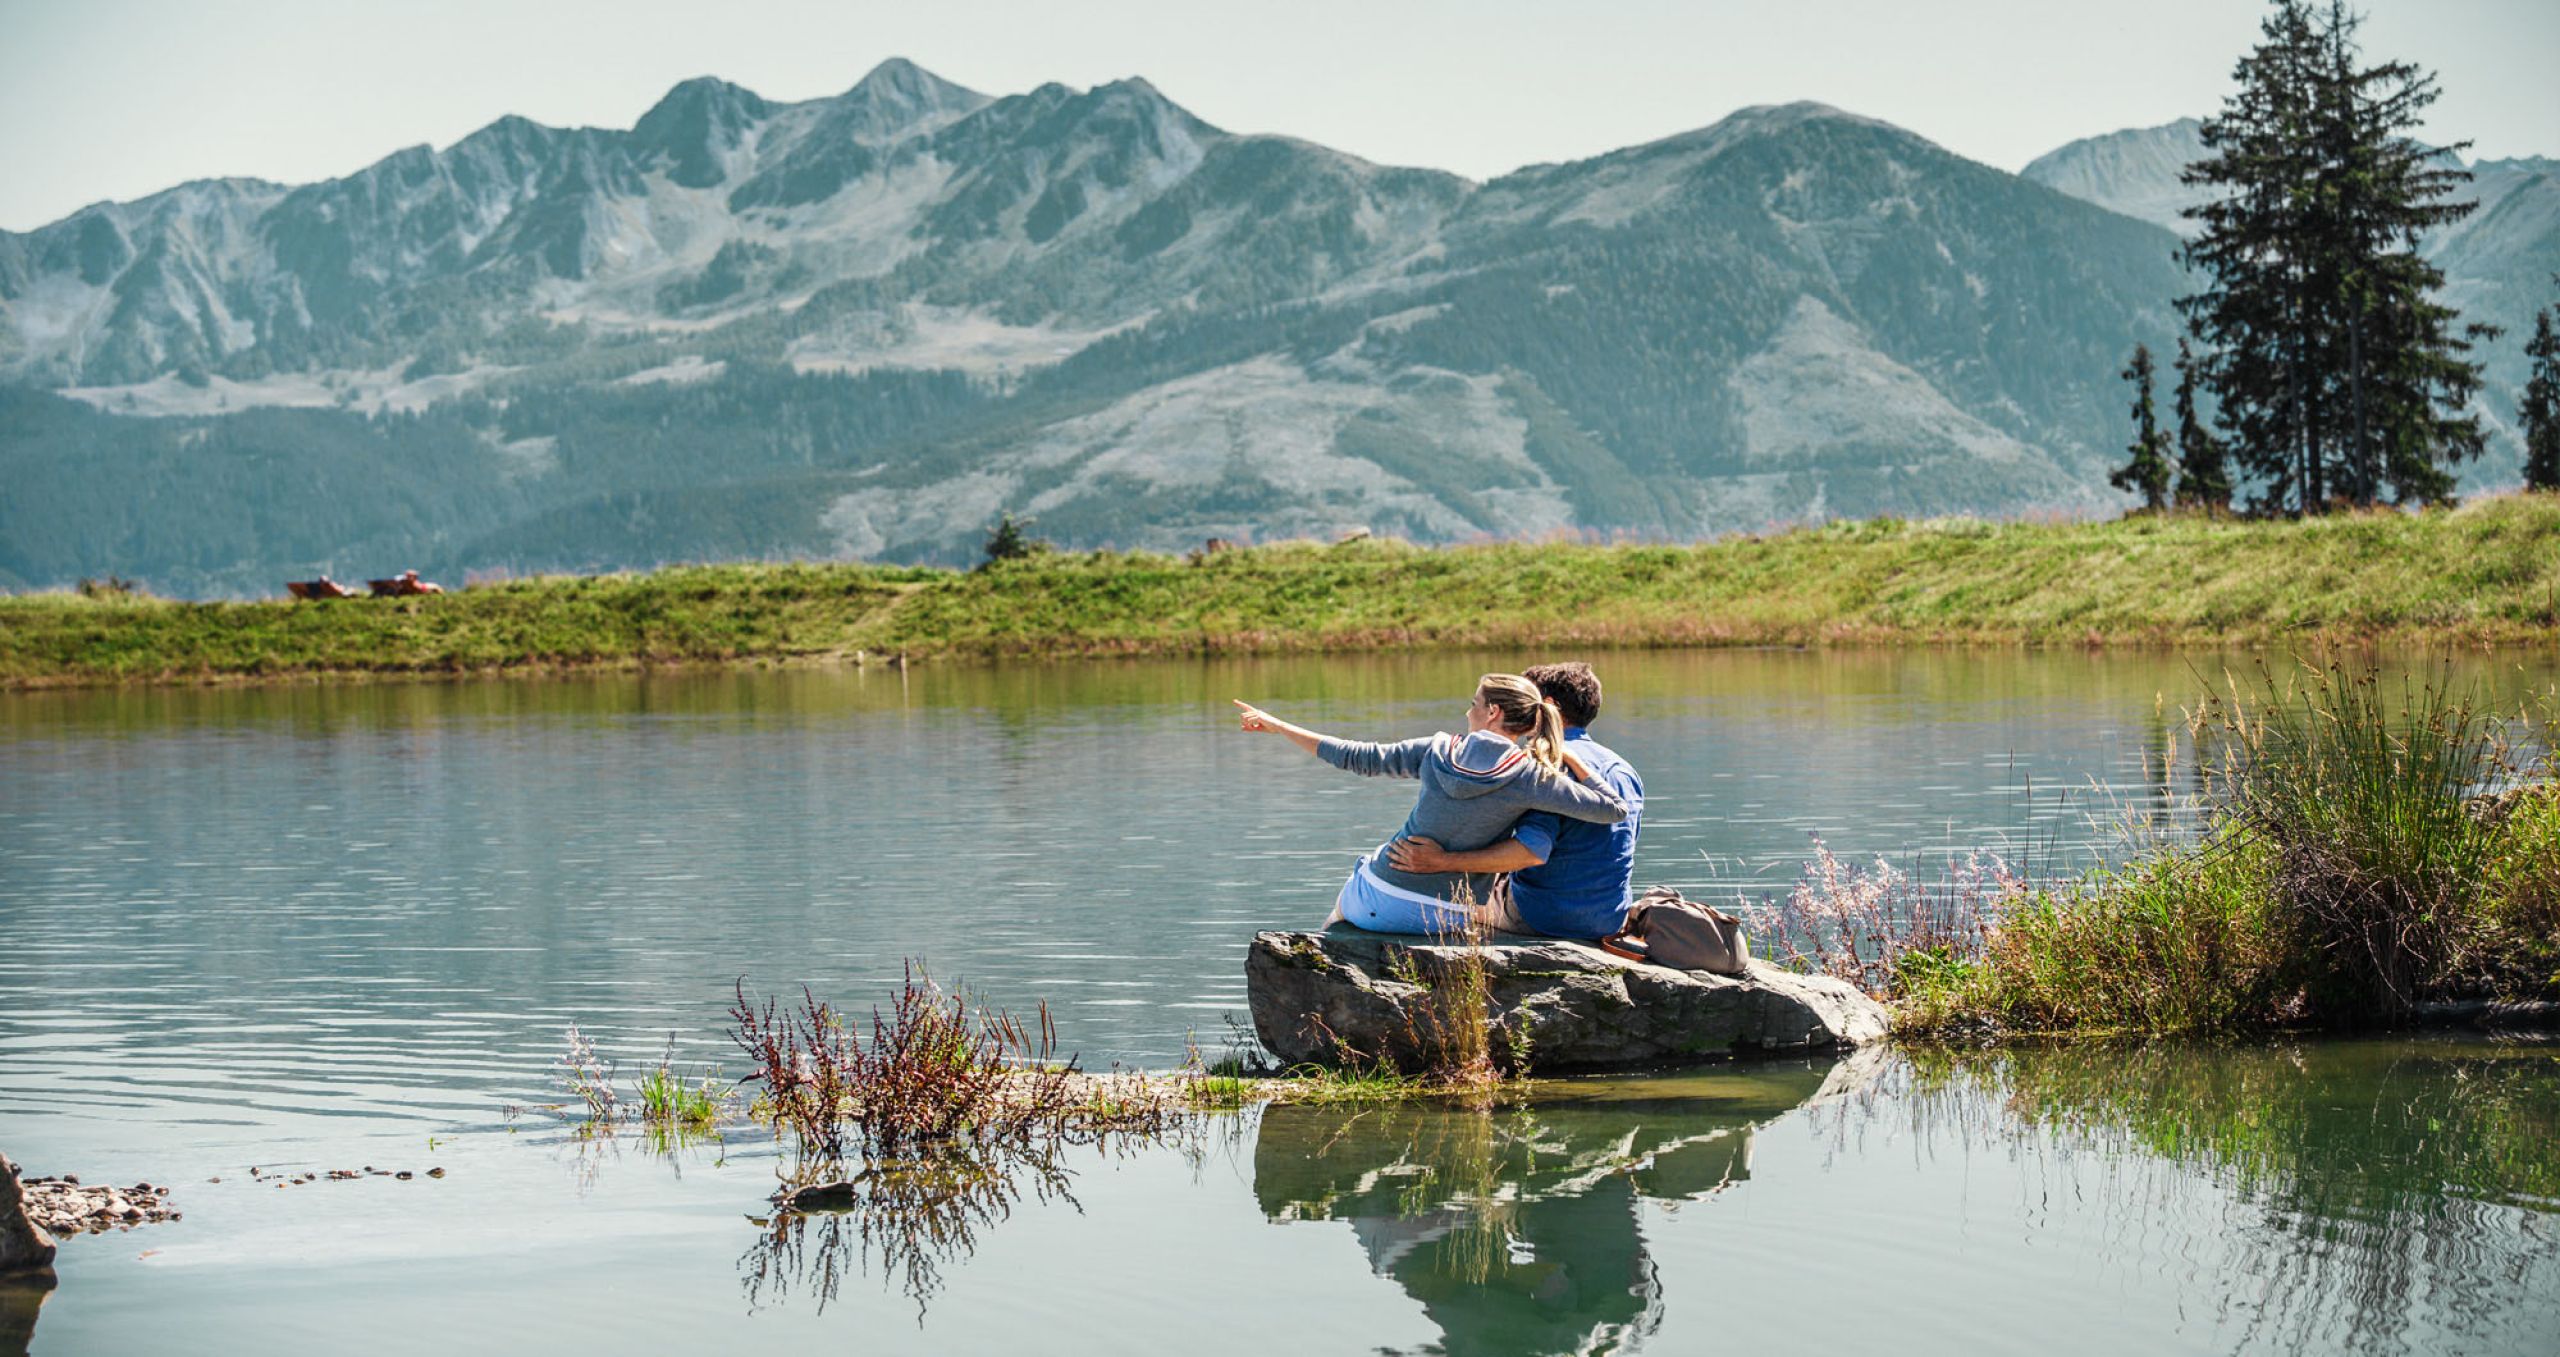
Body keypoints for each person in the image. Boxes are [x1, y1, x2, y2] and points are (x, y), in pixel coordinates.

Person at [1233, 674, 1628, 935]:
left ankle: (1322, 962)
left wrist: (1279, 726)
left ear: (1492, 713)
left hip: (1382, 897)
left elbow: (1355, 756)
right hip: (1451, 916)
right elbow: (1613, 809)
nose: (1467, 711)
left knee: (1348, 898)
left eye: (1473, 703)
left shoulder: (1437, 750)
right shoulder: (1534, 778)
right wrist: (1572, 761)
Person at [1386, 662, 1641, 941]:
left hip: (1543, 917)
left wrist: (1442, 861)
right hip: (1609, 918)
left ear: (1548, 707)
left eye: (1527, 701)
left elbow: (1530, 852)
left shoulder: (1544, 767)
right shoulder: (1623, 769)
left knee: (1438, 895)